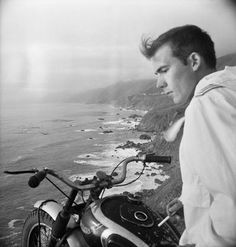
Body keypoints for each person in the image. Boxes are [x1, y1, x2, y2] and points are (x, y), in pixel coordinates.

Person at [140, 25, 236, 247]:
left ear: (193, 61)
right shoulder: (228, 87)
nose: (159, 83)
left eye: (164, 70)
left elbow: (232, 205)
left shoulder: (207, 103)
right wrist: (190, 199)